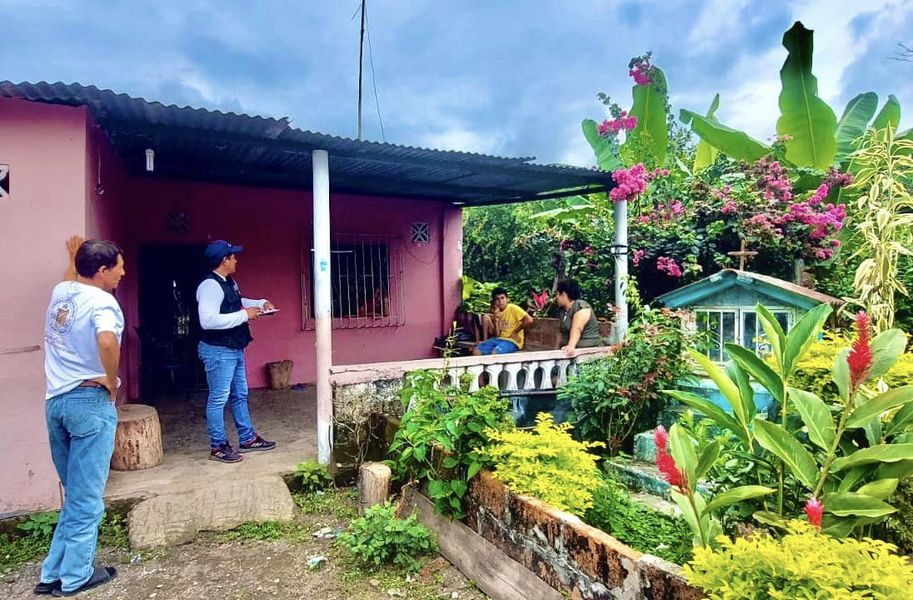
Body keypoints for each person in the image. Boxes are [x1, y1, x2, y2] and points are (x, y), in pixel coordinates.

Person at [37, 238, 125, 596]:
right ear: (102, 270)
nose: (122, 273)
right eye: (119, 267)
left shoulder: (62, 291)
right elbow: (107, 341)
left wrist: (74, 257)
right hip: (88, 403)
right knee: (87, 498)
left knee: (74, 494)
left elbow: (71, 277)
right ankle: (75, 577)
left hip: (56, 402)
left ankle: (52, 574)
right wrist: (111, 380)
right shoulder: (104, 302)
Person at [196, 240, 277, 463]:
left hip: (233, 347)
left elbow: (237, 301)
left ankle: (247, 438)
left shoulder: (228, 281)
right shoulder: (210, 286)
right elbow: (207, 320)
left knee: (240, 394)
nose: (236, 260)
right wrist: (244, 315)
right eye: (233, 257)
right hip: (218, 350)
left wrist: (261, 303)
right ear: (224, 260)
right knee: (218, 399)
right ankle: (218, 446)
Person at [473, 287, 533, 355]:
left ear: (507, 299)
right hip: (498, 339)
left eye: (502, 298)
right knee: (476, 351)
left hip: (512, 341)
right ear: (494, 301)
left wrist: (515, 331)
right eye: (497, 299)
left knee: (495, 353)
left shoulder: (513, 308)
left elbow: (529, 320)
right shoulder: (497, 311)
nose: (500, 301)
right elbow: (497, 335)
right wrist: (496, 321)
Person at [555, 278, 603, 357]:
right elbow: (561, 332)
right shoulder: (562, 311)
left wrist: (570, 347)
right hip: (566, 351)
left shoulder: (581, 307)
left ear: (563, 294)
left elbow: (577, 329)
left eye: (557, 294)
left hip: (588, 352)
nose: (556, 297)